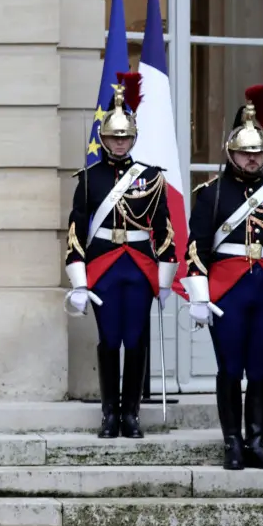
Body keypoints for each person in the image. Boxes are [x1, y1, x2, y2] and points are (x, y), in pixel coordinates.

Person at [63, 72, 178, 439]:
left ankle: (132, 414)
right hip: (103, 269)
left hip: (140, 267)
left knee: (136, 339)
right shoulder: (89, 179)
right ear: (103, 138)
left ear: (134, 138)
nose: (119, 142)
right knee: (110, 340)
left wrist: (164, 281)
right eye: (113, 136)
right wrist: (79, 284)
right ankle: (109, 414)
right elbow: (76, 236)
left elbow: (164, 232)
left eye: (125, 136)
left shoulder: (151, 178)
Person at [182, 84, 263, 472]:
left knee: (261, 369)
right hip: (227, 293)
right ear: (231, 152)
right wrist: (199, 297)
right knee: (230, 369)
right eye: (245, 152)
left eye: (257, 153)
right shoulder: (211, 194)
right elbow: (196, 249)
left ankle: (256, 442)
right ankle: (232, 443)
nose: (251, 159)